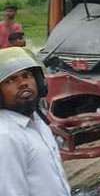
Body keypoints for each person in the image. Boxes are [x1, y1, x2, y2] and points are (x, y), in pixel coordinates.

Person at [0, 47, 71, 196]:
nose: (23, 83)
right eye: (10, 80)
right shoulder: (6, 136)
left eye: (26, 76)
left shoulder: (37, 121)